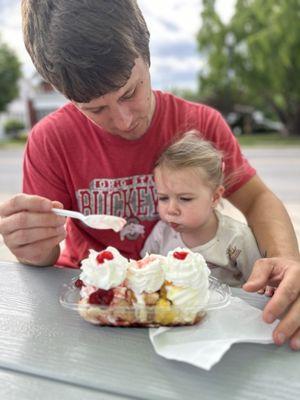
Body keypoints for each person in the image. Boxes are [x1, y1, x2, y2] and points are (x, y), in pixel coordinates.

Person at [0, 0, 299, 349]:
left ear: (147, 53)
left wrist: (288, 262)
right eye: (95, 109)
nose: (124, 121)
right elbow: (45, 256)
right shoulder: (51, 140)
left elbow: (257, 198)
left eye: (130, 92)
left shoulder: (199, 125)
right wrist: (32, 247)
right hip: (90, 313)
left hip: (188, 310)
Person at [141, 131, 265, 288]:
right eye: (163, 198)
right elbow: (144, 273)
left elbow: (258, 286)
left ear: (214, 197)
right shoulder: (161, 234)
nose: (171, 209)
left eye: (185, 199)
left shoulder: (237, 238)